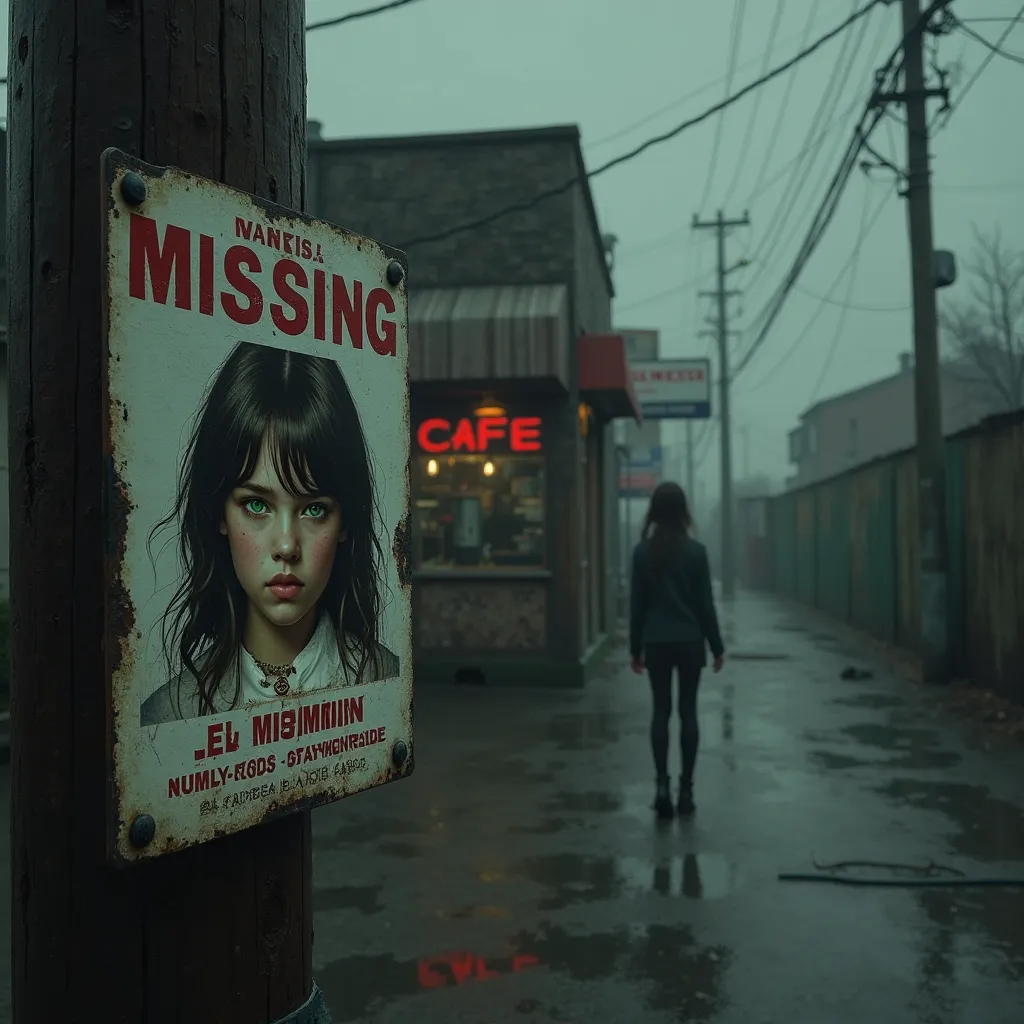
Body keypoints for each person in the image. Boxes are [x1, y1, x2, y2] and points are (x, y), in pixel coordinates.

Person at [140, 341, 399, 726]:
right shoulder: (168, 715)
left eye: (314, 509)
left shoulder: (389, 682)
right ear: (219, 514)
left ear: (344, 522)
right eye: (257, 505)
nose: (286, 546)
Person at [629, 481, 724, 819]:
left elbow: (636, 606)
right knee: (688, 713)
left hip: (656, 642)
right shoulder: (696, 553)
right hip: (688, 642)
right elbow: (705, 605)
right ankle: (686, 790)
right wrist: (717, 646)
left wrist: (634, 648)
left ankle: (660, 787)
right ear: (684, 511)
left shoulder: (642, 553)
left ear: (654, 512)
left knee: (660, 713)